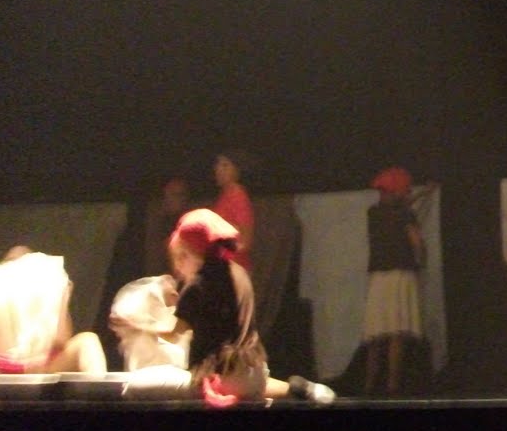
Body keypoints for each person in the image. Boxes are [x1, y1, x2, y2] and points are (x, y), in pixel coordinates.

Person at [140, 208, 331, 405]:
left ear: (193, 253)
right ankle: (300, 389)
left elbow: (174, 334)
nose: (178, 267)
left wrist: (140, 323)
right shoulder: (239, 273)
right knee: (250, 385)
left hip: (221, 377)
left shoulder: (197, 285)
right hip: (255, 371)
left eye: (180, 257)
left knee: (133, 387)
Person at [0, 247, 107, 400]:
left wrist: (63, 298)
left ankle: (98, 392)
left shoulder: (48, 302)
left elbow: (61, 340)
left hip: (41, 366)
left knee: (87, 340)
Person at [361, 166, 426, 396]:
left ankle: (369, 385)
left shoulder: (373, 213)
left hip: (378, 278)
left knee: (377, 334)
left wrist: (422, 194)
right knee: (397, 332)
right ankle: (392, 385)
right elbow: (416, 242)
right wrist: (422, 260)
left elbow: (399, 206)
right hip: (401, 275)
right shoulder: (406, 214)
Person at [209, 149, 256, 272]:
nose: (218, 169)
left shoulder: (237, 195)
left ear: (237, 170)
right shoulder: (224, 196)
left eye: (225, 165)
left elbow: (245, 241)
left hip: (234, 269)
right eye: (217, 164)